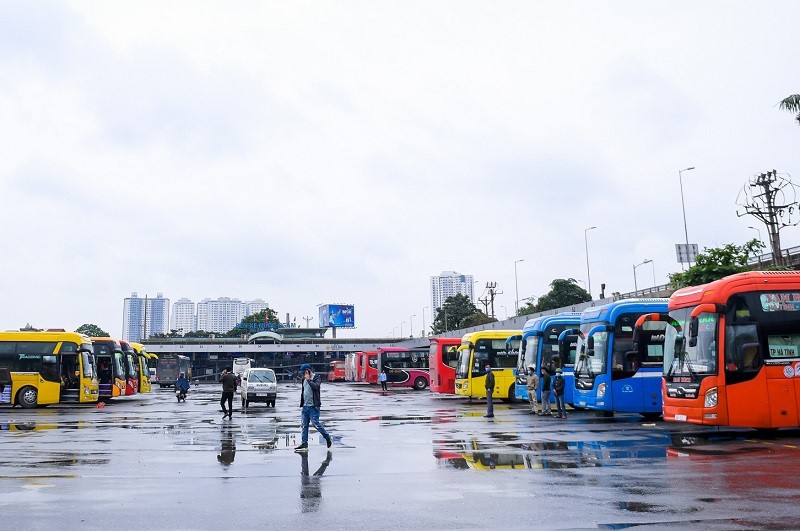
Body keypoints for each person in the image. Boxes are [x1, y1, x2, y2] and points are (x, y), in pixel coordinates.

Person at [295, 364, 332, 453]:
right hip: (305, 406)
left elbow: (316, 387)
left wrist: (308, 380)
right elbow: (304, 391)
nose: (303, 375)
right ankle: (304, 443)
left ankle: (327, 437)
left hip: (313, 406)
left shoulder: (316, 378)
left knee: (316, 423)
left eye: (304, 372)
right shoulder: (303, 379)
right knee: (304, 425)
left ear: (308, 371)